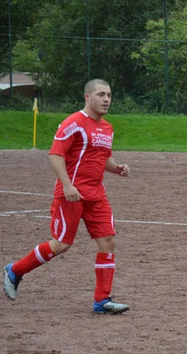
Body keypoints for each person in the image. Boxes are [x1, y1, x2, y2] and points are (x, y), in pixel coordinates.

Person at [3, 79, 131, 314]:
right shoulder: (74, 123)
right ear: (87, 97)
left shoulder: (107, 128)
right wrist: (67, 185)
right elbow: (55, 155)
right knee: (61, 244)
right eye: (101, 94)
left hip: (96, 194)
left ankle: (102, 301)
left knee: (108, 241)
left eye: (109, 95)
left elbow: (103, 159)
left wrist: (117, 168)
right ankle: (15, 270)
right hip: (71, 194)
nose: (106, 99)